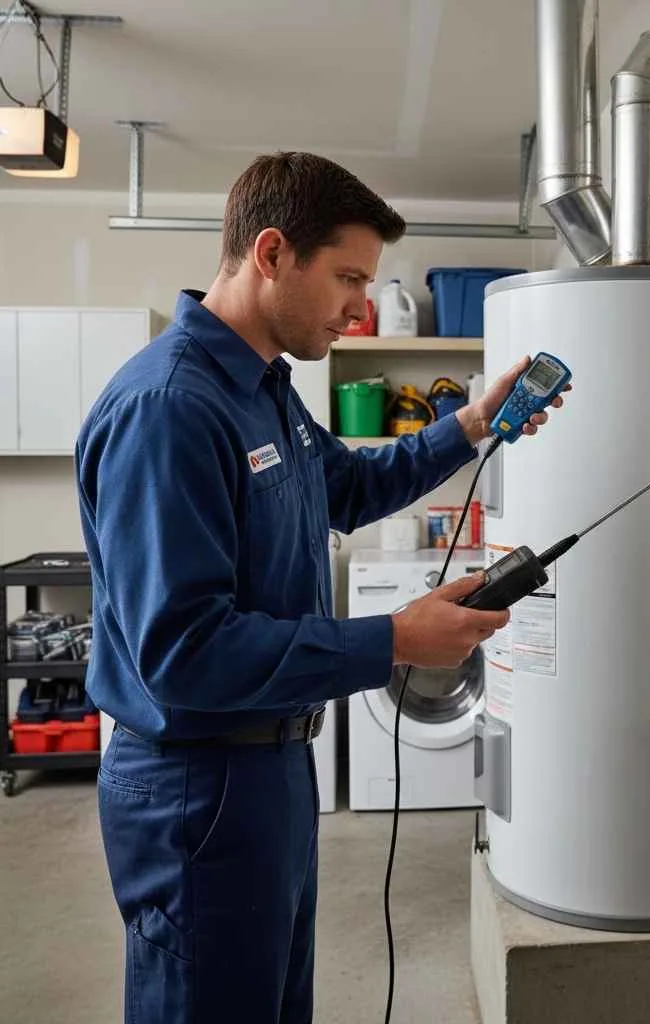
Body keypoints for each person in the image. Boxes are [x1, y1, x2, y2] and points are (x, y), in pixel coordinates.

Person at [75, 151, 564, 1024]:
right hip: (199, 784)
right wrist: (391, 641)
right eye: (346, 277)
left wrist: (475, 422)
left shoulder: (265, 389)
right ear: (270, 254)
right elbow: (183, 655)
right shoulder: (172, 408)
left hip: (271, 767)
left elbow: (347, 486)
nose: (359, 306)